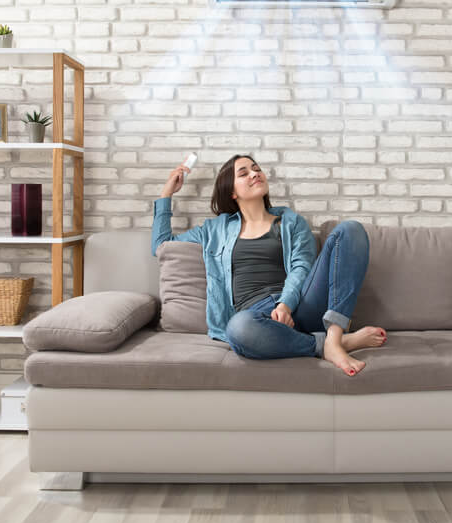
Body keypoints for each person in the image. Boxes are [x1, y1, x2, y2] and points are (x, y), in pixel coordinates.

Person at [151, 153, 386, 376]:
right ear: (231, 192)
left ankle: (334, 339)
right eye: (243, 173)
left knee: (350, 230)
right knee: (239, 329)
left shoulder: (290, 221)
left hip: (301, 305)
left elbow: (302, 267)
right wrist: (166, 193)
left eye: (256, 169)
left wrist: (285, 305)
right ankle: (329, 344)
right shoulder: (215, 230)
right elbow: (162, 246)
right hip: (257, 318)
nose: (254, 174)